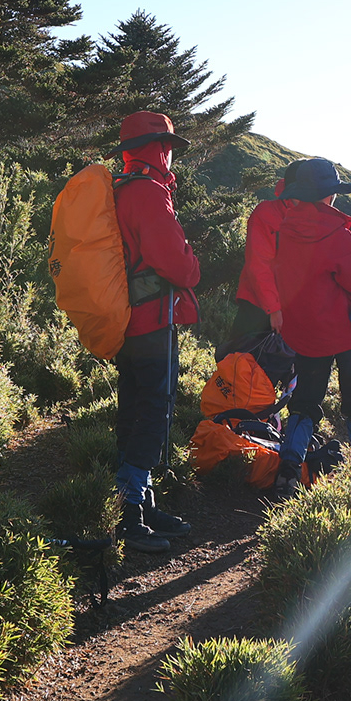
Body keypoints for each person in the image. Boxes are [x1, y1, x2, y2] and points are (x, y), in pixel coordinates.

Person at [109, 112, 199, 553]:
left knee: (134, 407)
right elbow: (178, 266)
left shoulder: (120, 188)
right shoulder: (149, 193)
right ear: (159, 149)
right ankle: (129, 512)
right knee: (154, 411)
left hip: (125, 319)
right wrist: (192, 262)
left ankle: (139, 503)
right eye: (167, 147)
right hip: (152, 320)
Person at [268, 158, 351, 495]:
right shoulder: (338, 234)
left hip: (306, 332)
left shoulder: (285, 230)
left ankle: (289, 468)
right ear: (329, 194)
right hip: (346, 332)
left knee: (304, 401)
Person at [231, 163, 298, 341]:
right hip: (257, 305)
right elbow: (259, 264)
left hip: (290, 310)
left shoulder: (309, 216)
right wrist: (274, 309)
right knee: (241, 354)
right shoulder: (266, 213)